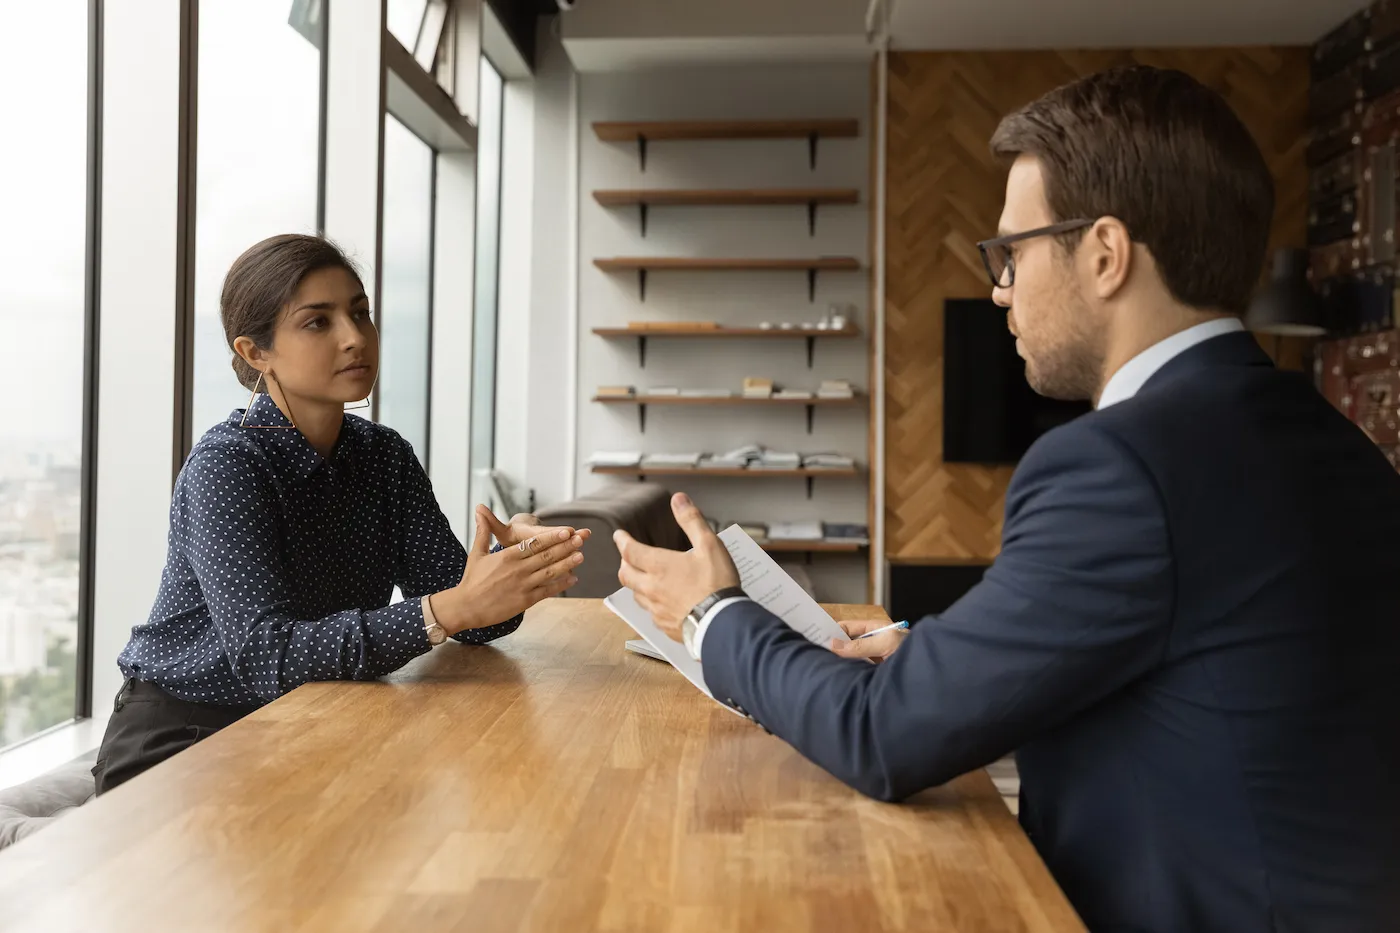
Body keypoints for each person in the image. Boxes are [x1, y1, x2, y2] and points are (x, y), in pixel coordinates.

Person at [613, 67, 1400, 933]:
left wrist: (712, 615)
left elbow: (883, 738)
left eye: (1012, 253)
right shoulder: (1334, 442)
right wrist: (928, 645)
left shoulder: (1120, 465)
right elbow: (1200, 640)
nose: (998, 289)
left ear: (1104, 253)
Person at [93, 234, 589, 794]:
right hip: (188, 736)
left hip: (320, 717)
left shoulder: (382, 455)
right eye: (317, 322)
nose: (356, 339)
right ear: (256, 353)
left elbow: (479, 620)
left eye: (360, 314)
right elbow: (267, 658)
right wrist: (453, 608)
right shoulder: (228, 465)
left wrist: (513, 562)